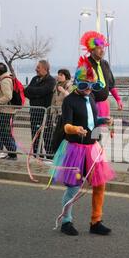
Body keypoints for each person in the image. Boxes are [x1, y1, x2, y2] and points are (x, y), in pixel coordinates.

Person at [51, 55, 116, 236]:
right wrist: (74, 129)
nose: (88, 89)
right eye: (84, 85)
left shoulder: (92, 98)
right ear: (77, 83)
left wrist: (104, 120)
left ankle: (96, 221)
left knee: (99, 184)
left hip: (92, 148)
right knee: (73, 187)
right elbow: (66, 125)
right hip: (75, 149)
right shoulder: (69, 101)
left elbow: (93, 120)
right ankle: (66, 221)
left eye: (92, 85)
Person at [80, 31, 123, 120]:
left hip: (104, 104)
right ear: (92, 50)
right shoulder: (85, 64)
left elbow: (111, 84)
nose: (102, 50)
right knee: (92, 130)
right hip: (90, 104)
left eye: (103, 47)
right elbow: (79, 85)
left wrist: (118, 99)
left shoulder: (105, 64)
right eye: (99, 48)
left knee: (103, 129)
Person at [25, 60, 56, 157]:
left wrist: (33, 92)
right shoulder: (35, 79)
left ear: (45, 69)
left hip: (46, 113)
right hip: (34, 112)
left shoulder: (51, 80)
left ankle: (50, 156)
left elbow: (44, 91)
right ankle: (37, 155)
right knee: (35, 134)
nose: (36, 69)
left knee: (47, 135)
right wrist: (36, 93)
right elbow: (26, 92)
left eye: (38, 67)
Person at [0, 63, 18, 160]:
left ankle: (13, 153)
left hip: (6, 111)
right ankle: (11, 152)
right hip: (5, 111)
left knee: (4, 132)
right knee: (1, 131)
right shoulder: (6, 79)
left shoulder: (5, 81)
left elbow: (8, 96)